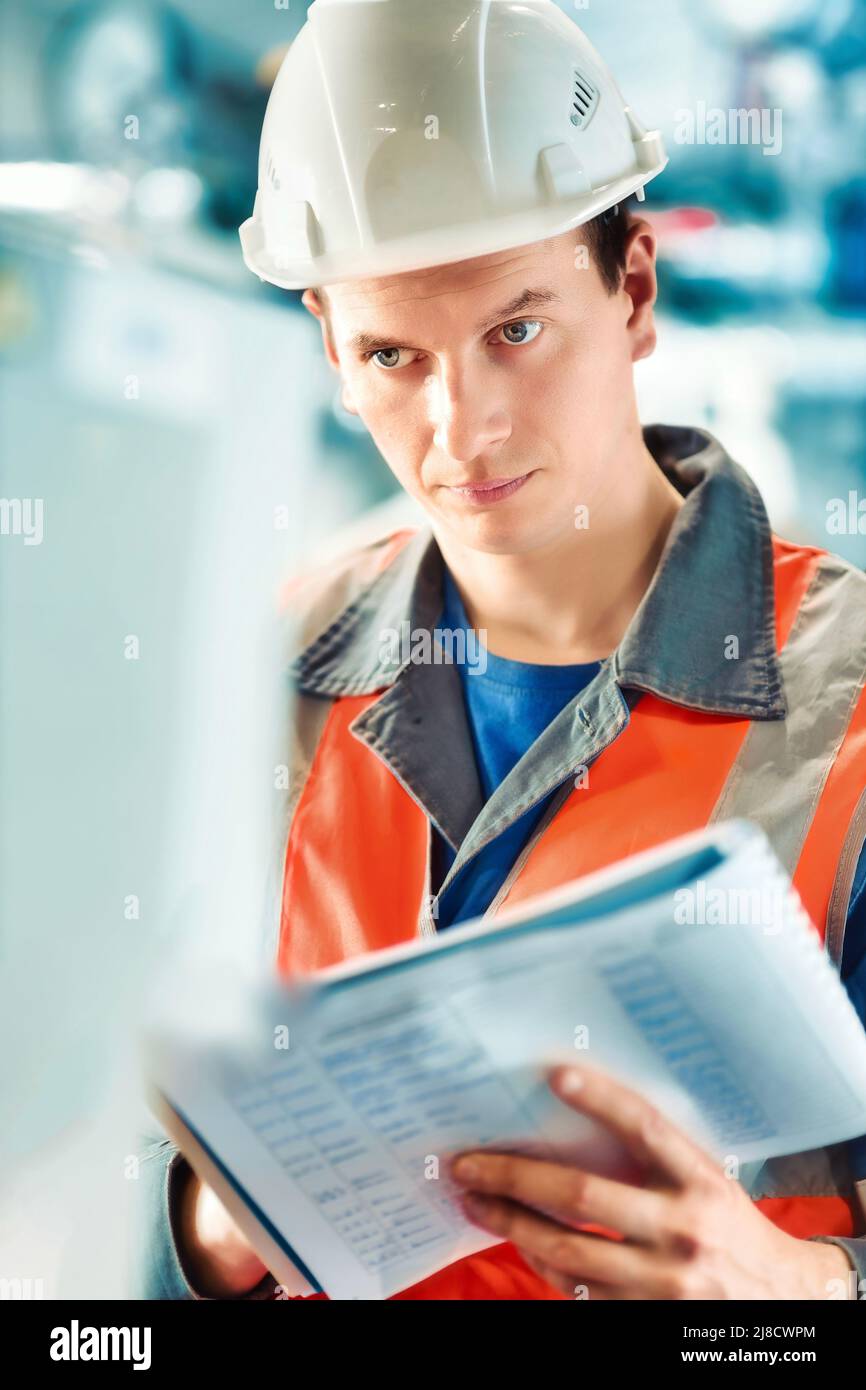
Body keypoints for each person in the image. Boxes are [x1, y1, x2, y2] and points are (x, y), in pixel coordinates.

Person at [134, 0, 866, 1300]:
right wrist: (209, 1227)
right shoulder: (263, 668)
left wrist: (795, 1290)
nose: (458, 430)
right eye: (390, 355)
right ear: (328, 348)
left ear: (632, 287)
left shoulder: (847, 703)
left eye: (514, 331)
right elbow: (117, 1155)